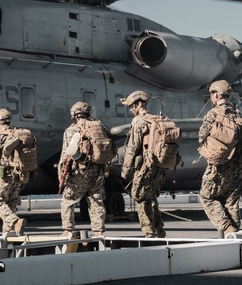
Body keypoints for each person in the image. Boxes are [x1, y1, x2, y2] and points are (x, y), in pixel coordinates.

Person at [198, 80, 242, 239]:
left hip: (219, 166)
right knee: (231, 201)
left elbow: (201, 136)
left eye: (212, 94)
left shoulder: (212, 114)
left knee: (207, 197)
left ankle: (228, 229)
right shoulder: (237, 114)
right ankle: (235, 235)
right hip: (238, 166)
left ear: (216, 95)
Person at [58, 101, 111, 238]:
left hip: (80, 172)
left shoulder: (71, 130)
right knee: (96, 200)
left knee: (67, 200)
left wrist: (61, 174)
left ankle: (67, 230)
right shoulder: (99, 127)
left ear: (75, 114)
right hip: (97, 171)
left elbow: (66, 154)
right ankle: (98, 231)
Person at [120, 90, 167, 238]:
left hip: (145, 167)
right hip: (158, 167)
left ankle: (149, 234)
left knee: (139, 197)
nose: (131, 109)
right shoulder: (157, 119)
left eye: (132, 106)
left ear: (139, 104)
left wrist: (125, 169)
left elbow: (132, 147)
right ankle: (159, 231)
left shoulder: (138, 121)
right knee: (151, 198)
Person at [0, 108, 30, 236]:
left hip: (4, 176)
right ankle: (9, 234)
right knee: (11, 204)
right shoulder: (17, 135)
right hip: (18, 176)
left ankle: (15, 222)